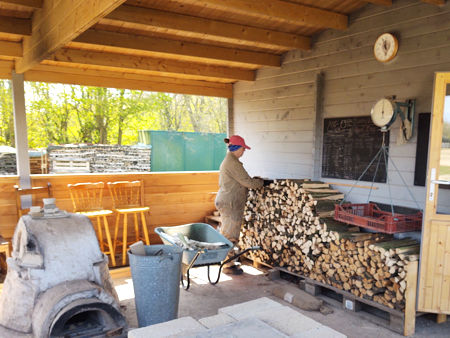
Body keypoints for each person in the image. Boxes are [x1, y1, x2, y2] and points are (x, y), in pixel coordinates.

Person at [215, 135, 263, 275]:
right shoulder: (232, 163)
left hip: (227, 200)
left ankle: (226, 262)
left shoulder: (231, 161)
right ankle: (227, 265)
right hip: (231, 203)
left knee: (227, 233)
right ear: (236, 148)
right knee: (230, 236)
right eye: (243, 148)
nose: (244, 151)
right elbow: (247, 182)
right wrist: (261, 183)